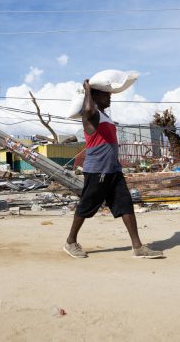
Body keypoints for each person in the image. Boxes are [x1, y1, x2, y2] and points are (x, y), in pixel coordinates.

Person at [64, 80, 163, 259]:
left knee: (125, 205)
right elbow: (87, 109)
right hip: (97, 170)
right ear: (94, 97)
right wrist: (88, 90)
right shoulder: (89, 116)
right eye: (105, 94)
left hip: (113, 169)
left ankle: (138, 247)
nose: (109, 97)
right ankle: (70, 241)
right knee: (87, 205)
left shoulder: (105, 117)